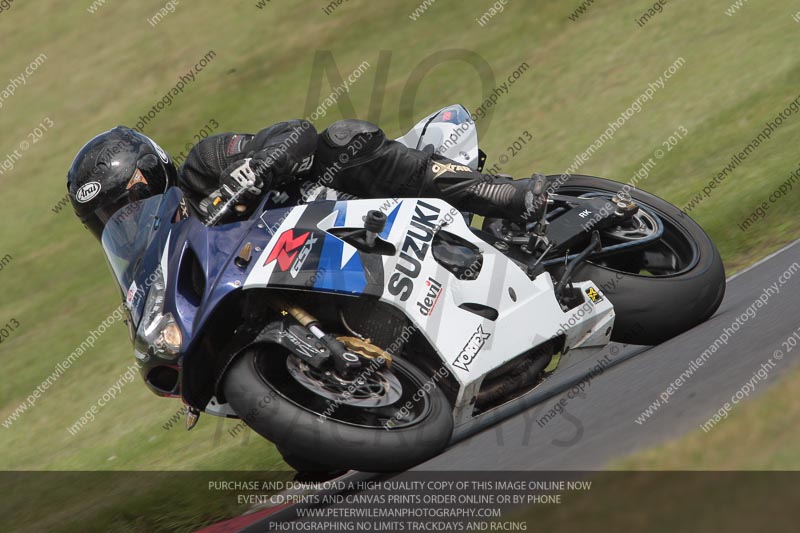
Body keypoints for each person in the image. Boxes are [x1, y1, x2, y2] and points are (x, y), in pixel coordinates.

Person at [66, 119, 547, 239]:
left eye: (128, 203)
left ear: (154, 178)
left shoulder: (202, 165)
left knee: (341, 141)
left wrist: (250, 173)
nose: (127, 219)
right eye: (109, 217)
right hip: (309, 277)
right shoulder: (163, 270)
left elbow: (296, 133)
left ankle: (507, 195)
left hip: (344, 210)